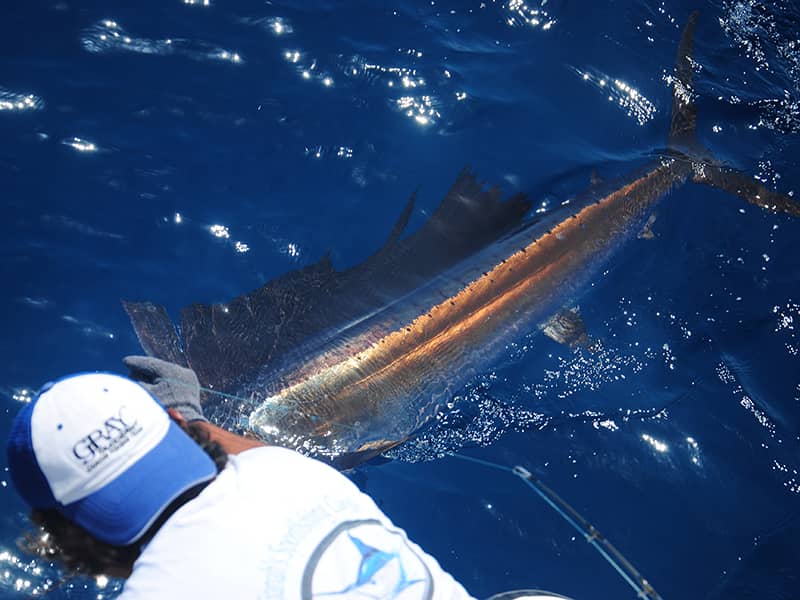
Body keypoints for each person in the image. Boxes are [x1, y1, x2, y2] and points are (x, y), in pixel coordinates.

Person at [6, 357, 571, 600]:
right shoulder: (291, 472)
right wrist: (186, 408)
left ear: (60, 530)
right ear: (175, 428)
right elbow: (242, 448)